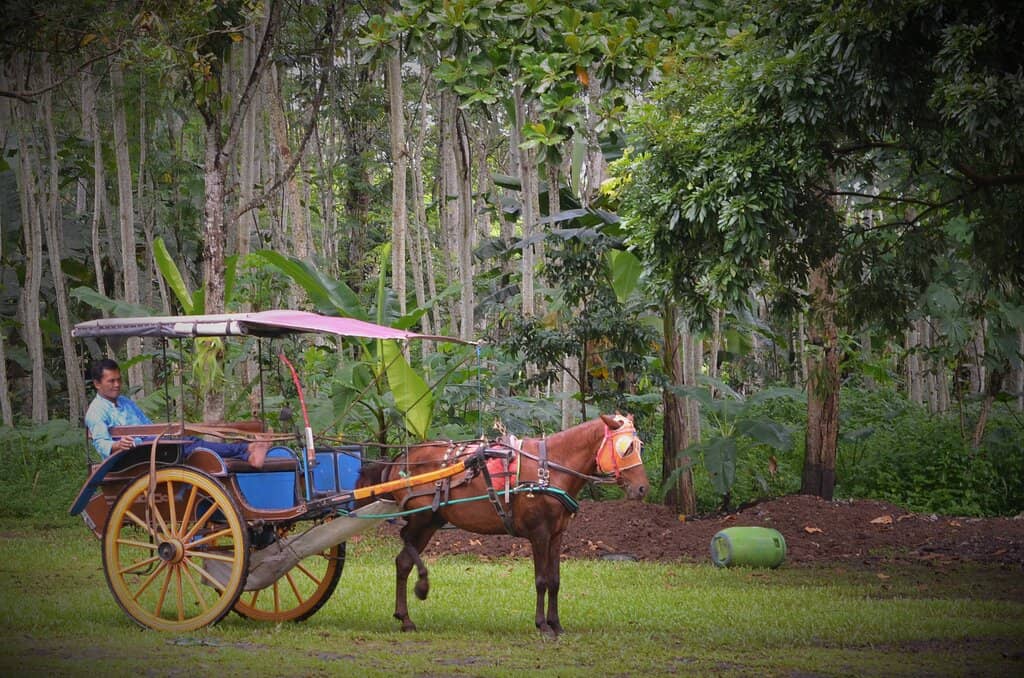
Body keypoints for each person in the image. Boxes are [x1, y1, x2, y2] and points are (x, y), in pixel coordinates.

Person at [85, 359, 270, 468]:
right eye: (111, 381)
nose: (117, 385)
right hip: (130, 459)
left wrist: (166, 433)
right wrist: (118, 445)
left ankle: (245, 452)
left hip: (148, 448)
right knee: (188, 444)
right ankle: (246, 450)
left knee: (184, 440)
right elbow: (101, 443)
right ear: (97, 383)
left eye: (118, 380)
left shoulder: (125, 402)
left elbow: (147, 426)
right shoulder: (96, 411)